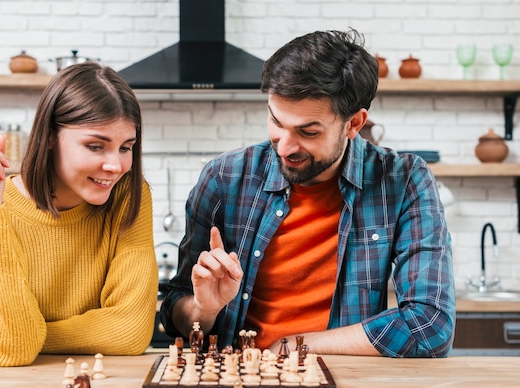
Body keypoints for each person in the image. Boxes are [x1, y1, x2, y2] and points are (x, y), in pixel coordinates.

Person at [161, 30, 455, 358]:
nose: (285, 147)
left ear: (353, 124)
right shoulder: (225, 178)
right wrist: (205, 309)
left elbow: (431, 325)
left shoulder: (403, 181)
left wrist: (293, 346)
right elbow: (176, 314)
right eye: (276, 121)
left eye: (308, 132)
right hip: (238, 381)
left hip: (343, 387)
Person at [0, 62, 158, 367]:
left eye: (126, 147)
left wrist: (27, 336)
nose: (116, 166)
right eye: (96, 146)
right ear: (48, 137)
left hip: (80, 380)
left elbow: (130, 331)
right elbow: (13, 352)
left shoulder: (128, 196)